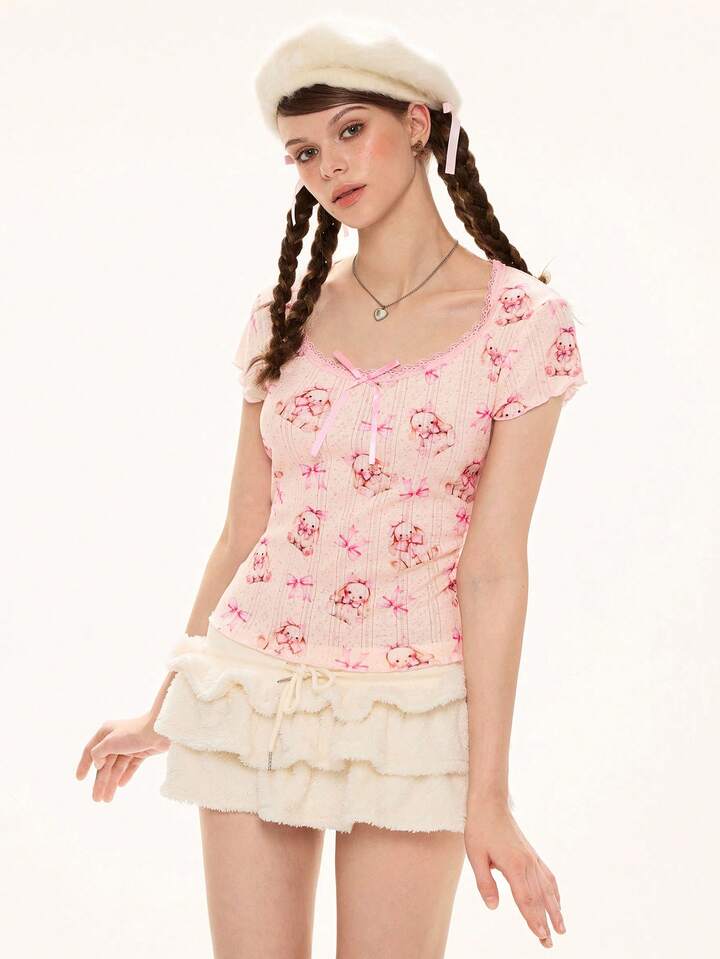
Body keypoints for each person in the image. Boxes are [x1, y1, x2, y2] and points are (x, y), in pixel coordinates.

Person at [76, 18, 586, 958]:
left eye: (352, 130)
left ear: (419, 124)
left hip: (409, 707)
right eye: (305, 151)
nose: (329, 165)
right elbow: (245, 527)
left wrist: (489, 796)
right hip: (251, 691)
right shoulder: (286, 317)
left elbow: (494, 568)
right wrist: (167, 703)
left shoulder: (523, 323)